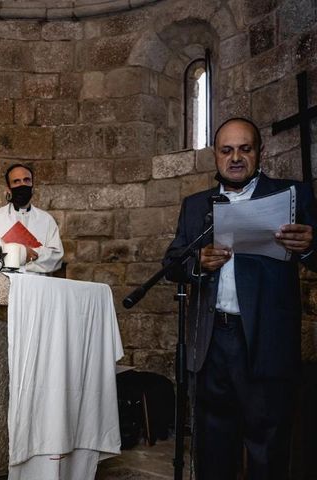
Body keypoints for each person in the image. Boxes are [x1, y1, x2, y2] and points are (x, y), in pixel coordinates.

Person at [163, 117, 317, 479]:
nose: (235, 157)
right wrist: (197, 262)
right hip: (212, 341)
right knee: (214, 448)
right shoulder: (196, 204)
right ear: (215, 156)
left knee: (267, 448)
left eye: (244, 149)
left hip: (266, 341)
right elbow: (171, 263)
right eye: (226, 150)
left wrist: (309, 248)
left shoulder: (291, 195)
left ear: (259, 152)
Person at [0, 163, 64, 274]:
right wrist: (23, 254)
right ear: (9, 189)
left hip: (36, 285)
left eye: (27, 180)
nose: (22, 184)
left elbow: (56, 257)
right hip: (5, 284)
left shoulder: (46, 220)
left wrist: (28, 255)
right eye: (16, 181)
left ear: (32, 185)